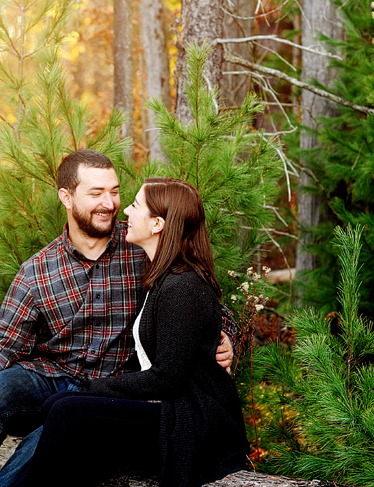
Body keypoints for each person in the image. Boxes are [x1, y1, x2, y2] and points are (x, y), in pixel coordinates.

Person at [0, 151, 235, 487]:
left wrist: (225, 337)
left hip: (110, 387)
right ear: (66, 197)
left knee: (57, 434)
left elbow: (206, 304)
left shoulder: (144, 246)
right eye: (95, 194)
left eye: (114, 191)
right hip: (49, 377)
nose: (109, 204)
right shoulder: (38, 271)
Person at [23, 177, 249, 487]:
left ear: (157, 224)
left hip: (192, 421)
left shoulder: (181, 286)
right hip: (167, 410)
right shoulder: (163, 277)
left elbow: (168, 378)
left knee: (66, 411)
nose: (125, 211)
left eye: (135, 205)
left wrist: (96, 387)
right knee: (54, 408)